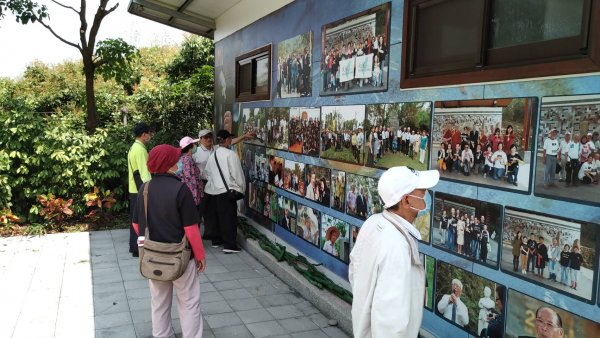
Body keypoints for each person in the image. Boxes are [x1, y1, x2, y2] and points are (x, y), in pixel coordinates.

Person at [350, 166, 440, 337]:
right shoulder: (396, 246)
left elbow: (355, 270)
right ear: (406, 201)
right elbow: (390, 322)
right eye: (422, 194)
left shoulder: (373, 223)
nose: (425, 200)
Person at [131, 144, 206, 338]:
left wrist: (150, 243)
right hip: (181, 257)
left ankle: (162, 335)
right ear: (170, 164)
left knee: (159, 302)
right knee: (189, 302)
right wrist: (200, 255)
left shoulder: (144, 190)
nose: (179, 162)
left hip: (153, 257)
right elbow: (191, 230)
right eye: (176, 160)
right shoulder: (181, 190)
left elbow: (136, 225)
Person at [204, 130, 246, 253]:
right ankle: (229, 245)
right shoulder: (230, 154)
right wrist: (241, 188)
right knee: (228, 219)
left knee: (216, 218)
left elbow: (207, 173)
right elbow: (237, 174)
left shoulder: (213, 155)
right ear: (227, 140)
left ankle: (217, 241)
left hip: (213, 192)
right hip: (226, 192)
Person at [127, 122, 153, 257]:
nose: (150, 136)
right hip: (140, 190)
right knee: (141, 220)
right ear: (144, 134)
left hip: (133, 188)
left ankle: (134, 247)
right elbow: (145, 173)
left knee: (134, 219)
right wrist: (151, 190)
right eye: (149, 133)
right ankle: (138, 248)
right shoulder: (141, 150)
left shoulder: (133, 148)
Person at [177, 136, 204, 212]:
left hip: (188, 197)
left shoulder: (182, 159)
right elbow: (191, 181)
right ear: (191, 146)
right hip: (192, 199)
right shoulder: (188, 160)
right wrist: (196, 199)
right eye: (194, 144)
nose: (195, 146)